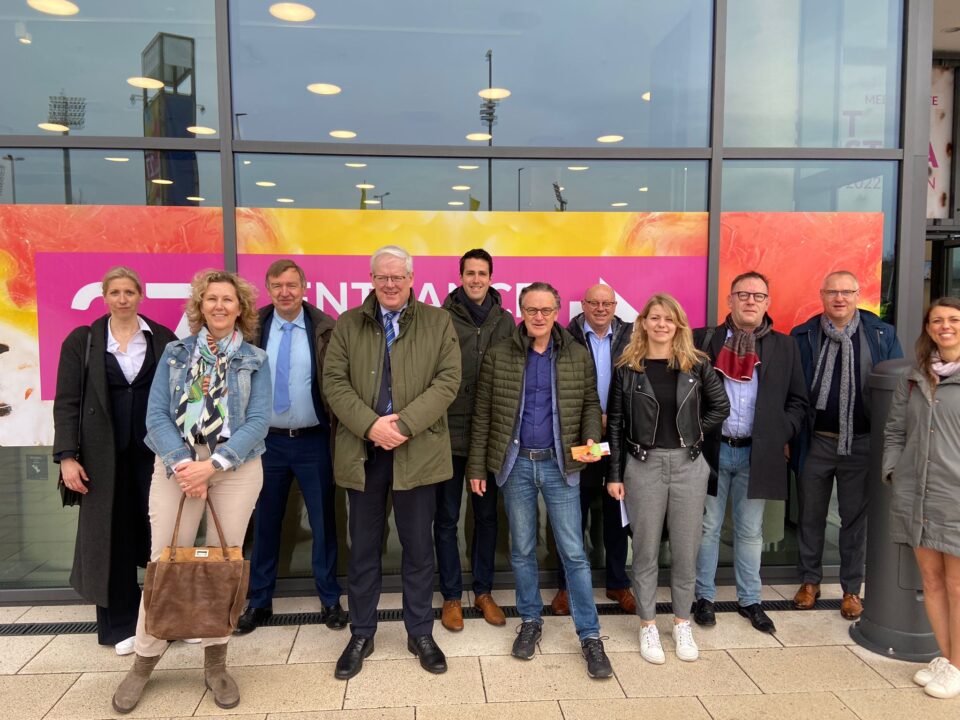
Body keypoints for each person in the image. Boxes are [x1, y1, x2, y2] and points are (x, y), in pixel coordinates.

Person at [111, 269, 271, 713]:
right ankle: (144, 662)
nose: (219, 306)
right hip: (177, 464)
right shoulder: (175, 353)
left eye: (228, 299)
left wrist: (213, 466)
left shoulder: (255, 358)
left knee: (223, 563)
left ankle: (216, 665)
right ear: (200, 306)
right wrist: (186, 464)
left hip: (235, 466)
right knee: (164, 562)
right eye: (211, 298)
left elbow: (259, 420)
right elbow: (156, 415)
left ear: (241, 308)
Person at [323, 245, 461, 680]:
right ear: (371, 279)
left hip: (417, 451)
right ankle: (361, 634)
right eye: (382, 277)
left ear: (411, 279)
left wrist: (403, 425)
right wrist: (371, 426)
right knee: (364, 549)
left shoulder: (438, 321)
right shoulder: (348, 323)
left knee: (418, 549)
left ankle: (420, 632)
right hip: (364, 453)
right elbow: (334, 382)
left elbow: (448, 381)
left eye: (397, 276)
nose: (389, 284)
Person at [468, 282, 614, 680]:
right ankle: (530, 620)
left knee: (574, 552)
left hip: (559, 465)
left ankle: (590, 635)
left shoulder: (576, 354)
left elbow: (590, 404)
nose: (538, 316)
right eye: (531, 309)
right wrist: (477, 468)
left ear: (557, 312)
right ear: (521, 311)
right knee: (522, 549)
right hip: (515, 465)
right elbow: (483, 414)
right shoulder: (500, 355)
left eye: (546, 310)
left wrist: (590, 436)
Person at [53, 267, 176, 656]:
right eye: (115, 292)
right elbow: (67, 402)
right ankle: (121, 625)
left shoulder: (163, 338)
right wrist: (66, 457)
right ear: (104, 297)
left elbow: (180, 398)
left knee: (161, 536)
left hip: (154, 453)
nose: (122, 299)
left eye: (129, 292)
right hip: (101, 458)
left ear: (141, 295)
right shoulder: (84, 341)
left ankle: (165, 620)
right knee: (112, 536)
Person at [607, 294, 729, 664]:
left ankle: (680, 622)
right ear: (643, 322)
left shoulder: (697, 364)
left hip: (689, 466)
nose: (662, 324)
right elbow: (615, 424)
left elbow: (720, 406)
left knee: (686, 549)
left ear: (678, 325)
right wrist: (614, 474)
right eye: (655, 317)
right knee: (645, 550)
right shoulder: (628, 368)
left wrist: (693, 433)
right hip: (642, 466)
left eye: (669, 319)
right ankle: (647, 624)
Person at [692, 271, 808, 634]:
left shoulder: (784, 346)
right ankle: (704, 598)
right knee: (707, 528)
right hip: (712, 450)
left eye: (758, 296)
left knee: (750, 531)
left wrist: (780, 432)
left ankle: (750, 600)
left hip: (757, 454)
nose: (750, 301)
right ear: (729, 300)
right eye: (743, 294)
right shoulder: (703, 340)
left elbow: (798, 401)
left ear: (767, 303)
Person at [237, 259, 346, 634]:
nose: (285, 292)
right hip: (266, 442)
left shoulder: (325, 328)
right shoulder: (252, 328)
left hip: (314, 440)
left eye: (291, 285)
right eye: (277, 285)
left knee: (323, 523)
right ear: (268, 289)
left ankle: (329, 598)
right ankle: (259, 600)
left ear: (304, 288)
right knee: (265, 522)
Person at [790, 271, 902, 619]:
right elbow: (792, 390)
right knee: (810, 515)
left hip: (862, 443)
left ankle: (852, 589)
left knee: (854, 520)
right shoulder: (804, 335)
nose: (839, 298)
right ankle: (810, 581)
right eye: (833, 292)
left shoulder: (881, 334)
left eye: (846, 292)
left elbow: (898, 388)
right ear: (822, 295)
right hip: (815, 442)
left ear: (858, 294)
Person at [883, 297, 960, 699]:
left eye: (954, 320)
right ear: (928, 329)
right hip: (917, 492)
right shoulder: (915, 378)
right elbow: (895, 430)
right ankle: (947, 658)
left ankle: (958, 666)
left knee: (957, 585)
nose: (945, 326)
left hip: (954, 494)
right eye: (937, 321)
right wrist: (894, 471)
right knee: (931, 580)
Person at [436, 249, 515, 632]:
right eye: (470, 273)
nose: (476, 279)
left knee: (486, 517)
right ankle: (451, 595)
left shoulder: (506, 320)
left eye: (482, 273)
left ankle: (483, 592)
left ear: (491, 277)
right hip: (449, 433)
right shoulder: (441, 318)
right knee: (446, 518)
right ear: (461, 277)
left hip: (490, 435)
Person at [552, 283, 636, 616]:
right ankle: (567, 586)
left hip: (618, 437)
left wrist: (613, 418)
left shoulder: (632, 337)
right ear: (583, 305)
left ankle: (617, 582)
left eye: (607, 303)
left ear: (615, 306)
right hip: (578, 438)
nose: (600, 308)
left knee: (617, 515)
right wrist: (590, 419)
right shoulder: (565, 337)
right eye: (594, 302)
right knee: (573, 515)